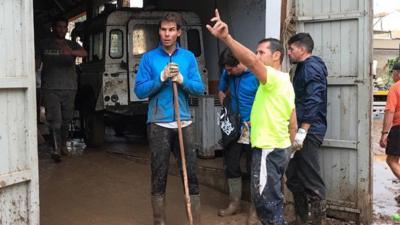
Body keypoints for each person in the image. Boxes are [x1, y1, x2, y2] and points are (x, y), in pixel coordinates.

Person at [207, 9, 297, 225]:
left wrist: (226, 38)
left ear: (276, 56)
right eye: (255, 52)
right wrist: (290, 147)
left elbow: (252, 63)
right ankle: (237, 203)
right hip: (276, 146)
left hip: (266, 146)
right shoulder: (285, 81)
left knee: (268, 205)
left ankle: (260, 216)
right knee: (269, 200)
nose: (256, 57)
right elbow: (292, 118)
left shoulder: (271, 78)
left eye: (260, 52)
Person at [134, 13, 205, 225]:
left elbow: (200, 89)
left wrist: (182, 80)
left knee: (191, 173)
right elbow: (139, 91)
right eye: (164, 30)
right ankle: (159, 221)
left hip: (184, 122)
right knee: (159, 173)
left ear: (178, 32)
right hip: (158, 123)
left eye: (171, 30)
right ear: (159, 31)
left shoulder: (188, 57)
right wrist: (161, 77)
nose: (167, 34)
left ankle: (195, 220)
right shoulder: (149, 58)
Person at [285, 33, 328, 225]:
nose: (288, 52)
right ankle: (301, 218)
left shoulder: (311, 67)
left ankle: (318, 221)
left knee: (311, 178)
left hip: (309, 131)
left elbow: (313, 100)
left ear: (302, 49)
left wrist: (303, 131)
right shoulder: (301, 68)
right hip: (299, 130)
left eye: (291, 48)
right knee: (293, 175)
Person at [217, 48, 260, 225]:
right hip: (234, 129)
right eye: (226, 70)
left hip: (255, 128)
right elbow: (221, 90)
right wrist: (227, 110)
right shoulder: (228, 72)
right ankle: (234, 203)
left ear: (241, 63)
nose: (227, 73)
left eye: (230, 70)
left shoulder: (258, 73)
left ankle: (255, 210)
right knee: (232, 164)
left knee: (254, 169)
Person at [37, 17, 87, 162]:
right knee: (55, 120)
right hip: (50, 88)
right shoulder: (44, 44)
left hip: (70, 88)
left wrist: (70, 52)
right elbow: (36, 63)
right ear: (54, 28)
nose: (61, 30)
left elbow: (85, 53)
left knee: (66, 120)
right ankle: (56, 149)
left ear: (66, 29)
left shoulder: (72, 44)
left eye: (64, 27)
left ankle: (63, 144)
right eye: (59, 27)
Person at [380, 63, 400, 188]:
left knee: (391, 160)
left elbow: (389, 111)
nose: (392, 75)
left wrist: (384, 133)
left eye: (393, 72)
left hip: (398, 127)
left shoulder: (395, 87)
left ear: (398, 73)